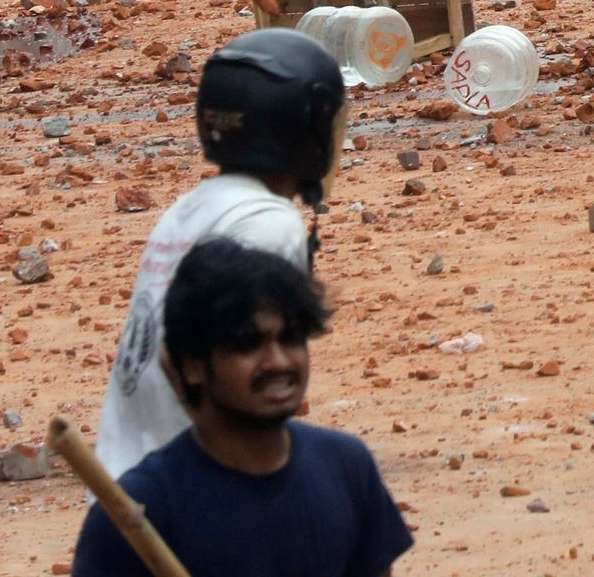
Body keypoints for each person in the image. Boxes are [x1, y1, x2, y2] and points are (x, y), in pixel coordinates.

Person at [72, 239, 409, 577]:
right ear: (193, 366)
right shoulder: (145, 508)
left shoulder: (347, 468)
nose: (278, 361)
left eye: (291, 338)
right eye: (248, 344)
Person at [98, 30, 342, 477]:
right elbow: (190, 358)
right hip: (184, 494)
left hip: (129, 479)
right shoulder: (268, 223)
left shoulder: (193, 207)